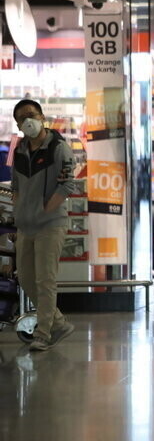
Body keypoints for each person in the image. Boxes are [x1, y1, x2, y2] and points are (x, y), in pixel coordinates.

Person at [10, 99, 77, 351]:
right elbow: (15, 186)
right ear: (18, 124)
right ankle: (58, 322)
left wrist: (47, 209)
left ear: (41, 116)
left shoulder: (58, 147)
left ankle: (44, 332)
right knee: (26, 277)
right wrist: (19, 209)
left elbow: (68, 183)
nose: (28, 120)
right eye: (22, 118)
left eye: (32, 114)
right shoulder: (19, 150)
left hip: (50, 224)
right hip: (25, 225)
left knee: (45, 280)